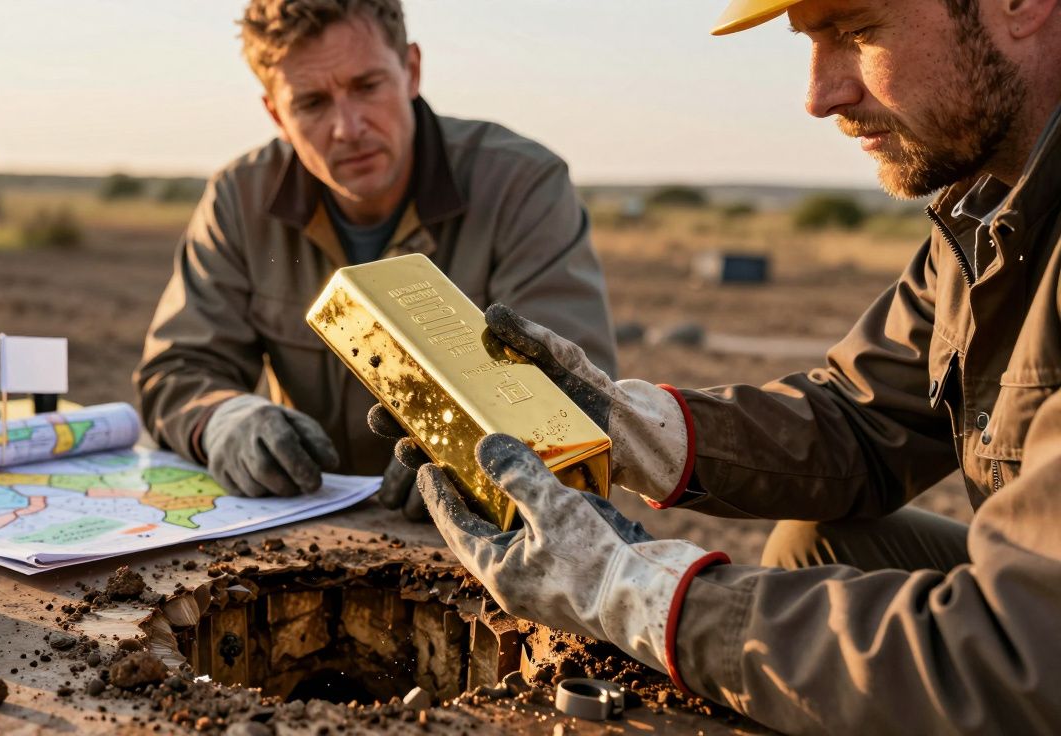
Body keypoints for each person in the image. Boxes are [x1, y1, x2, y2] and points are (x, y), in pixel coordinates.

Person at [370, 0, 1061, 731]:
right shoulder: (988, 208)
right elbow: (862, 419)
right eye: (811, 42)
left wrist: (633, 590)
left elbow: (1020, 650)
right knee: (821, 544)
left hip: (1034, 639)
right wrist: (623, 424)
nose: (819, 95)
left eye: (858, 33)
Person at [135, 0, 615, 519]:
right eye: (313, 103)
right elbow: (179, 369)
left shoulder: (521, 185)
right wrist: (224, 418)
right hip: (305, 531)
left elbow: (577, 386)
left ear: (411, 70)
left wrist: (470, 454)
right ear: (276, 112)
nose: (348, 127)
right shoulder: (239, 197)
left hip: (489, 545)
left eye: (367, 86)